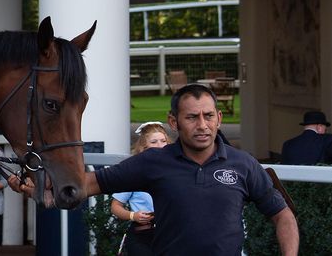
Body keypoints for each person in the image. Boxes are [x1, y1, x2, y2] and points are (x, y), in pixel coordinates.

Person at [22, 84, 299, 255]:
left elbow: (282, 215)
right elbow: (89, 184)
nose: (202, 125)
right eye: (192, 117)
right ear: (174, 122)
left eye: (208, 116)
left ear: (219, 119)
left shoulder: (244, 164)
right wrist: (43, 188)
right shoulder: (154, 162)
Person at [109, 121, 170, 256]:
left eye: (163, 141)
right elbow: (115, 206)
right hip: (142, 236)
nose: (160, 146)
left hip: (169, 234)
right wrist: (133, 215)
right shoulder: (134, 172)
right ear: (144, 146)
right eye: (154, 142)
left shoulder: (175, 170)